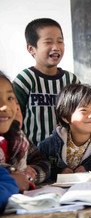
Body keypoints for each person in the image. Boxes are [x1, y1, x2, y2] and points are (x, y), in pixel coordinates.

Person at [12, 18, 80, 146]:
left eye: (60, 41)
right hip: (32, 154)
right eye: (48, 42)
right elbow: (14, 120)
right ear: (31, 49)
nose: (56, 47)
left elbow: (80, 116)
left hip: (66, 153)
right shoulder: (25, 79)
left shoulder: (71, 80)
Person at [0, 72, 49, 192]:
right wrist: (13, 182)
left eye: (10, 98)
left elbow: (43, 162)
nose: (6, 107)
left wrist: (30, 175)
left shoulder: (17, 138)